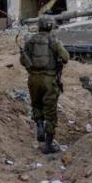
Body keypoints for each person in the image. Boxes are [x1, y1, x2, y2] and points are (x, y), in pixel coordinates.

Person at [20, 15, 69, 154]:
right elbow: (65, 58)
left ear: (39, 25)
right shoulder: (54, 41)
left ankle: (39, 125)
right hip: (49, 80)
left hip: (33, 79)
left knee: (36, 105)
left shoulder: (30, 41)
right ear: (51, 26)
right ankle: (48, 145)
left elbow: (23, 60)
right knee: (50, 112)